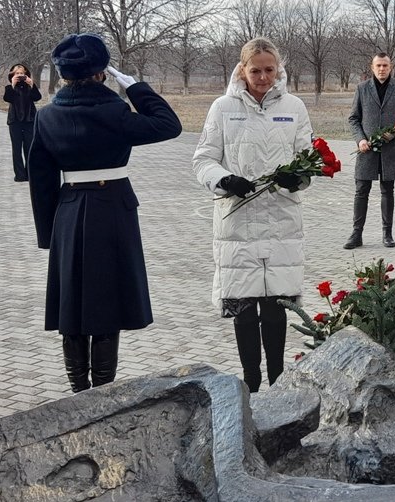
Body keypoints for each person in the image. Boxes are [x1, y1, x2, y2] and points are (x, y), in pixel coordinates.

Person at [28, 33, 182, 393]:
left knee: (72, 307)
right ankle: (103, 392)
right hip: (113, 208)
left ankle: (78, 392)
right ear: (102, 73)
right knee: (107, 304)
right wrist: (136, 89)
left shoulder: (47, 116)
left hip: (67, 211)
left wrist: (48, 234)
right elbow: (168, 125)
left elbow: (41, 180)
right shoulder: (116, 111)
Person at [193, 37, 312, 394]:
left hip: (280, 221)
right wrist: (223, 179)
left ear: (279, 70)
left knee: (275, 306)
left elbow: (309, 156)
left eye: (269, 70)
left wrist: (298, 177)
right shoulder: (222, 108)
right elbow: (203, 159)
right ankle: (251, 380)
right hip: (237, 223)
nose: (262, 77)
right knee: (244, 307)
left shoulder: (293, 106)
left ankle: (277, 379)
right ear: (242, 69)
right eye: (255, 70)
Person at [345, 53, 395, 249]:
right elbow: (353, 119)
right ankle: (356, 234)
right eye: (378, 66)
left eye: (385, 65)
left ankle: (387, 234)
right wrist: (360, 140)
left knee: (387, 190)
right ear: (372, 67)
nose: (382, 69)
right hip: (366, 150)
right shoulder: (362, 89)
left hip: (390, 150)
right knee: (361, 191)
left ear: (390, 67)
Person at [3, 64, 42, 181]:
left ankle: (29, 174)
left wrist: (32, 84)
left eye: (22, 73)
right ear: (12, 75)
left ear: (26, 74)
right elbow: (8, 98)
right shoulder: (9, 87)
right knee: (16, 149)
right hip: (14, 121)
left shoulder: (29, 86)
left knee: (29, 148)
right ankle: (20, 175)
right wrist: (13, 85)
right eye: (17, 74)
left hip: (29, 120)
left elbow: (37, 97)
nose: (20, 76)